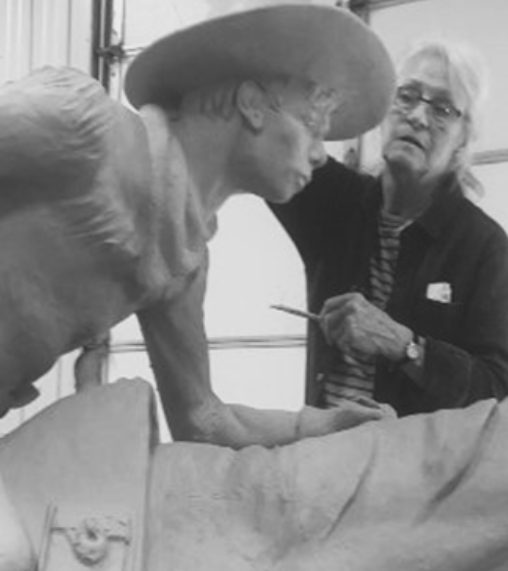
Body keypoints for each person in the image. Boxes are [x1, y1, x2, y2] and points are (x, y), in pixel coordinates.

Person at [0, 3, 396, 449]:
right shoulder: (82, 124)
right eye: (312, 125)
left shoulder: (180, 264)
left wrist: (323, 425)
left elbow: (201, 418)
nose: (321, 154)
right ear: (252, 104)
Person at [270, 39, 508, 416]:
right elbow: (268, 125)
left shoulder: (483, 246)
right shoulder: (335, 202)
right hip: (324, 447)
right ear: (384, 109)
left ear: (463, 139)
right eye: (406, 96)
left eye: (442, 108)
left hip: (415, 455)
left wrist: (404, 345)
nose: (417, 116)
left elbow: (500, 391)